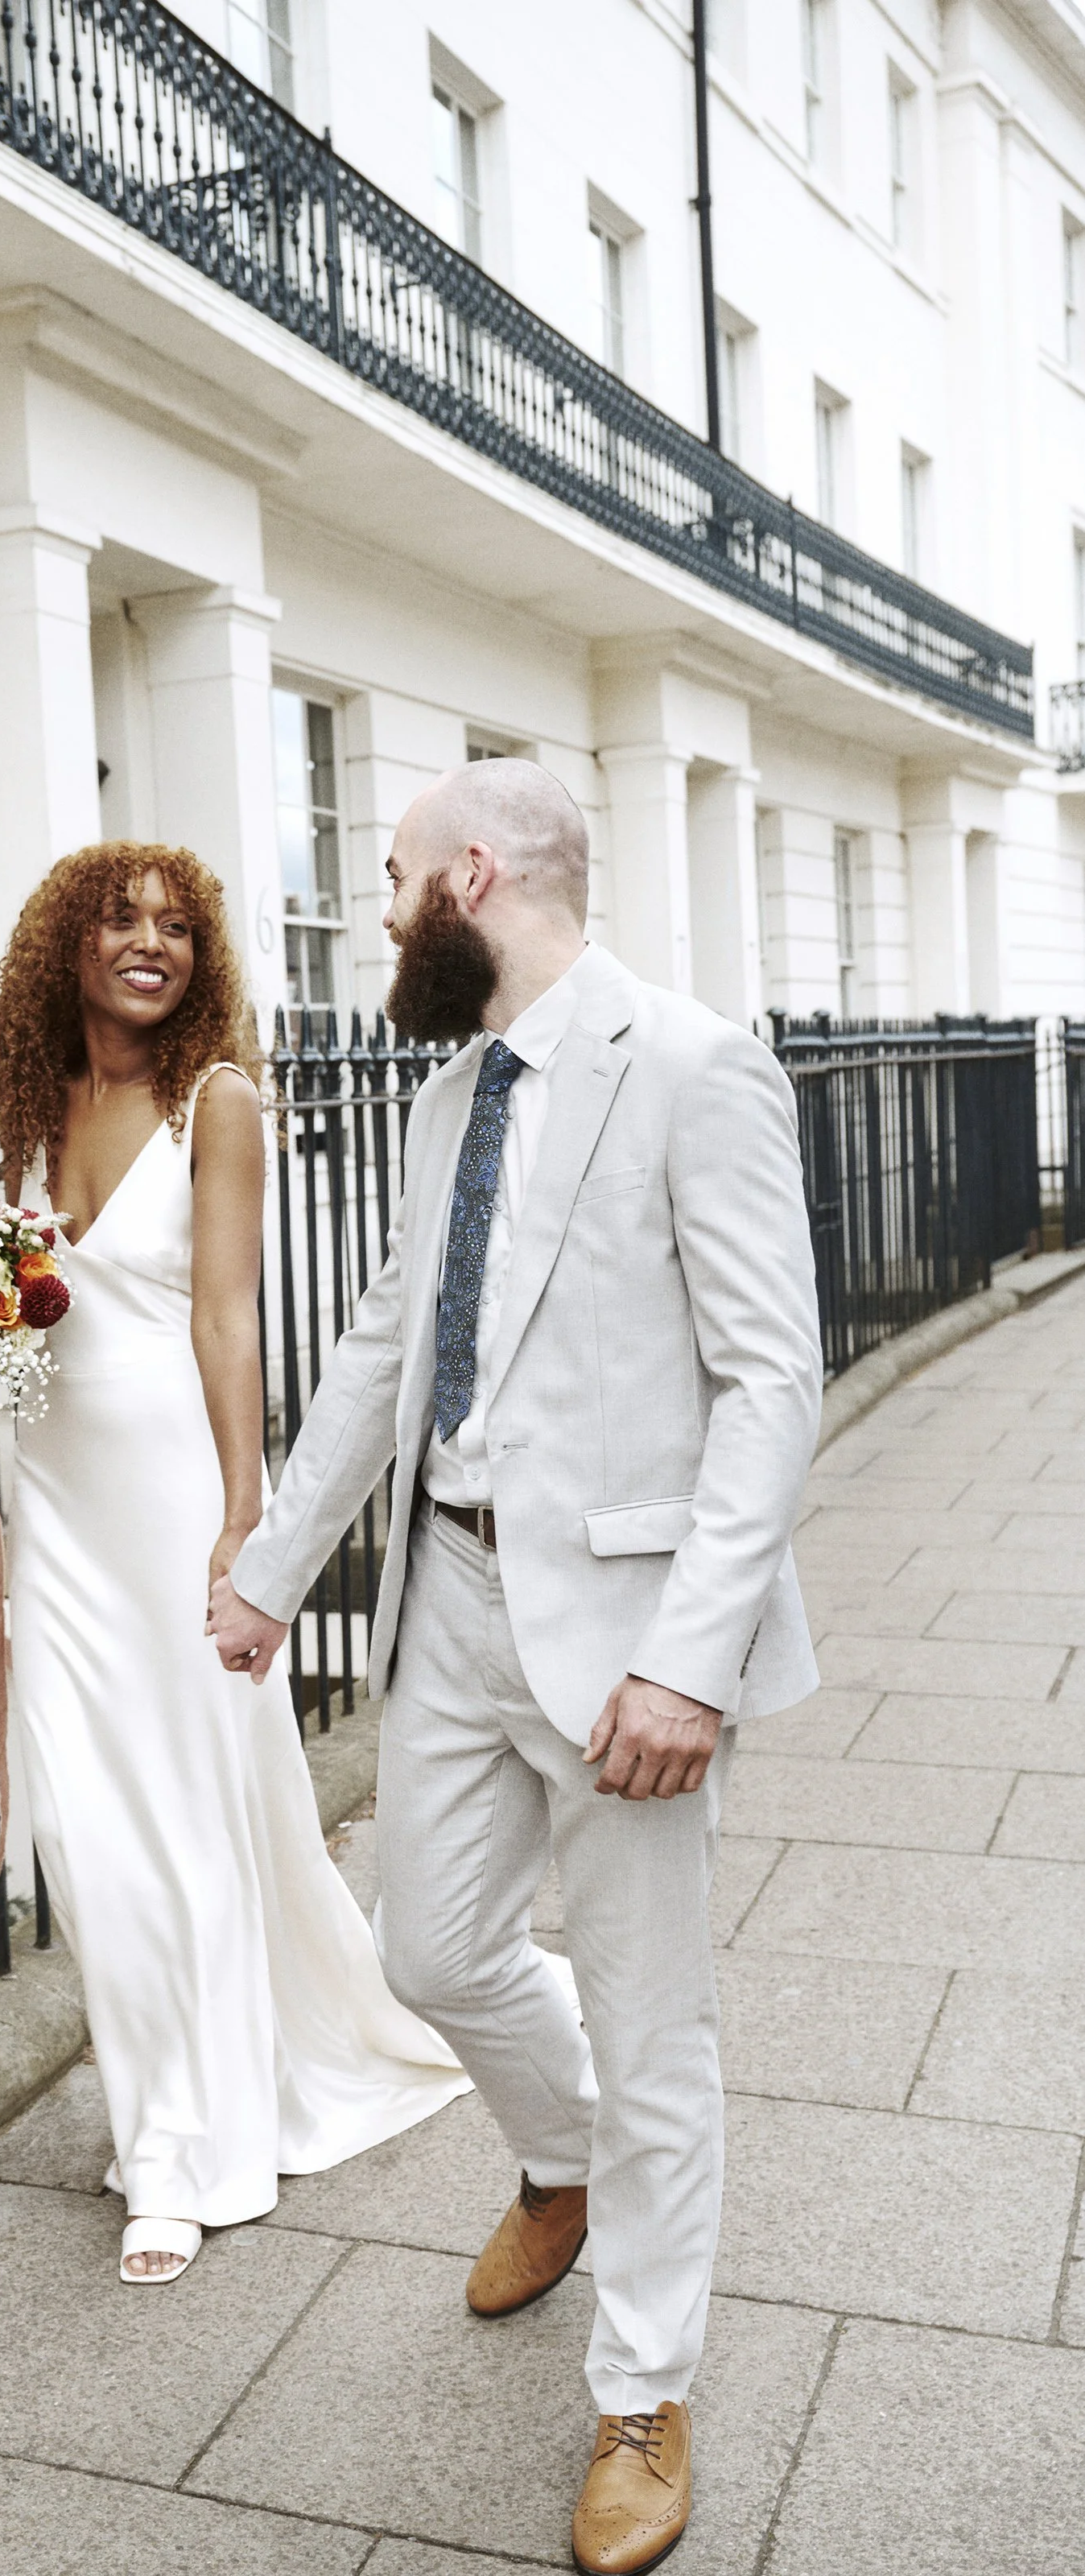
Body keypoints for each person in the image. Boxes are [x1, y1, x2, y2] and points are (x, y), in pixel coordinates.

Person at [208, 762, 821, 2574]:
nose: (380, 913)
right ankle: (560, 2163)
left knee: (654, 2027)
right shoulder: (450, 1087)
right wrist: (270, 1566)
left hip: (630, 1643)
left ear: (473, 875)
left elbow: (769, 1384)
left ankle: (643, 2390)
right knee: (429, 1946)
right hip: (450, 1601)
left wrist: (689, 1665)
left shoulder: (694, 1065)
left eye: (394, 880)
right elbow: (391, 1341)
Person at [0, 840, 469, 2287]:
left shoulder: (223, 1102)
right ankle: (171, 2097)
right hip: (53, 1503)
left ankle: (183, 2153)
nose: (153, 944)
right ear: (60, 949)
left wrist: (246, 1511)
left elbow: (226, 1319)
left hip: (164, 1504)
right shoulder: (29, 1101)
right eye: (120, 922)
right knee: (83, 1827)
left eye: (177, 926)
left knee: (187, 1815)